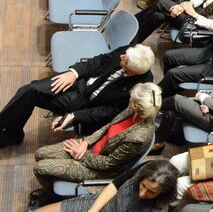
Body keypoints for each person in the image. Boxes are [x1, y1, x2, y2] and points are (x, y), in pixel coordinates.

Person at [31, 83, 162, 207]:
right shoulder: (131, 110)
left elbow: (108, 164)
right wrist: (86, 142)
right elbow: (109, 126)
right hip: (90, 147)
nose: (129, 99)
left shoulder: (138, 138)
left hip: (99, 169)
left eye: (132, 100)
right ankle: (52, 187)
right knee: (40, 153)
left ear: (137, 106)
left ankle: (53, 197)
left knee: (40, 168)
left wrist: (80, 154)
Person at [0, 45, 155, 146]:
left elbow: (108, 112)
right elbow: (99, 60)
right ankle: (13, 133)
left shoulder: (139, 89)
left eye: (124, 60)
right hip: (79, 82)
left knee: (31, 94)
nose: (121, 56)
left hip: (85, 104)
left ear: (132, 71)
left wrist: (76, 115)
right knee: (29, 89)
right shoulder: (129, 52)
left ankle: (13, 135)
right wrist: (73, 73)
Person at [36, 158, 179, 212]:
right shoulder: (147, 167)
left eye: (151, 192)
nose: (142, 193)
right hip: (99, 204)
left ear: (163, 192)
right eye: (143, 185)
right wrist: (93, 211)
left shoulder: (158, 209)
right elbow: (115, 185)